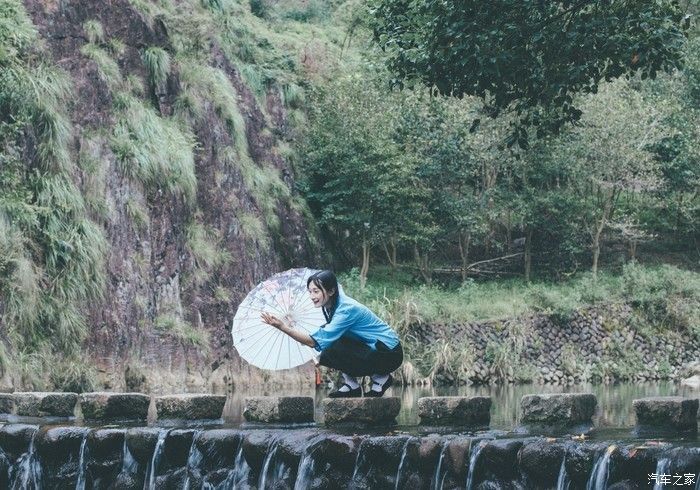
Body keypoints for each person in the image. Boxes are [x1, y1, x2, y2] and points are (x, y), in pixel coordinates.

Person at [261, 270, 403, 398]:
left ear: (331, 291)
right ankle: (352, 385)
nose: (312, 296)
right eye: (310, 291)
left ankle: (381, 378)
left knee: (330, 344)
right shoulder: (331, 306)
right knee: (329, 340)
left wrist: (283, 327)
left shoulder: (346, 309)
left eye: (316, 291)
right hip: (375, 349)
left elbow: (314, 341)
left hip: (389, 353)